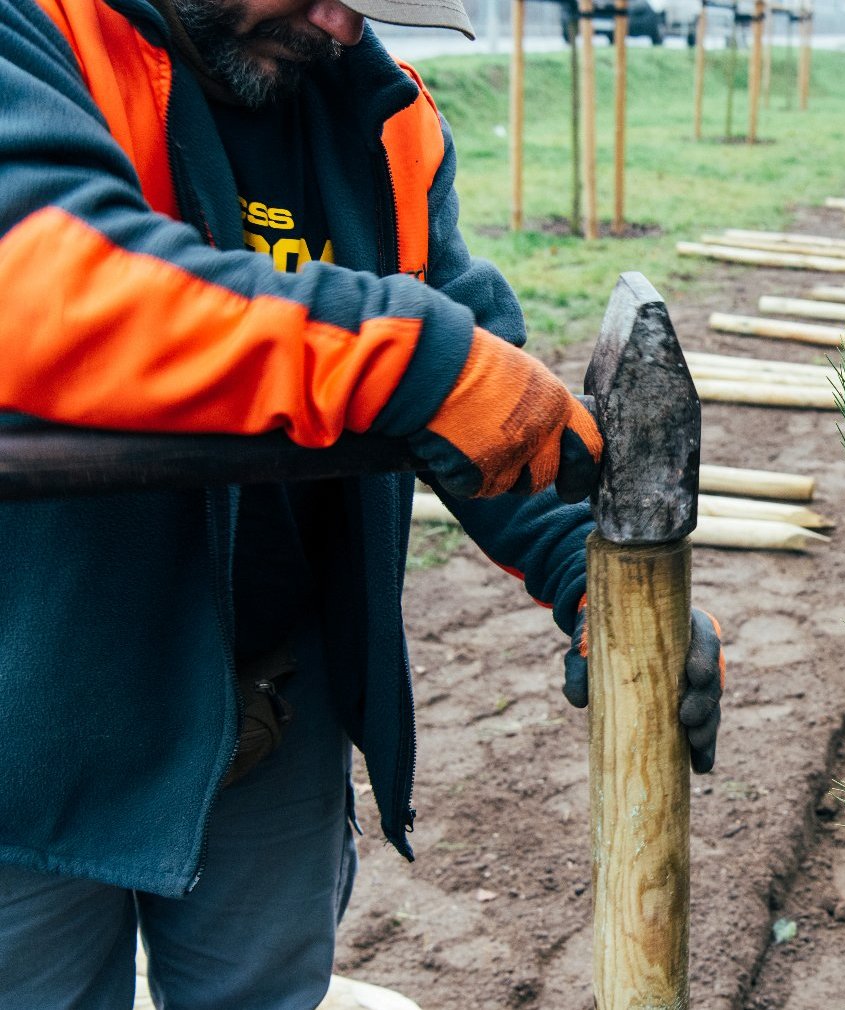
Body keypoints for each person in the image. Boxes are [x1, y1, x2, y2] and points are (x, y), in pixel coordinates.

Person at [0, 0, 724, 1005]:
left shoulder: (373, 109)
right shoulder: (35, 36)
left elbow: (478, 383)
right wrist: (410, 361)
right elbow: (46, 282)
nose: (341, 23)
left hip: (274, 700)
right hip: (34, 725)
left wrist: (586, 567)